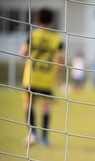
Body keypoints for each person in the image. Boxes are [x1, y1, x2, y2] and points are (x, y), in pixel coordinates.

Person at [21, 8, 64, 147]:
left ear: (37, 20)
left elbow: (23, 54)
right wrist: (57, 75)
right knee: (45, 107)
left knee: (28, 104)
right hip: (47, 78)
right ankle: (44, 138)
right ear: (52, 21)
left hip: (31, 77)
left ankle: (32, 133)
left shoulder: (32, 35)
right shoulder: (57, 39)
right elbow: (59, 60)